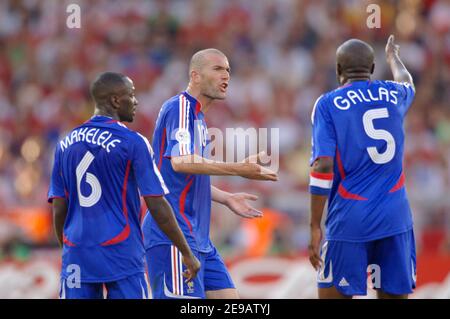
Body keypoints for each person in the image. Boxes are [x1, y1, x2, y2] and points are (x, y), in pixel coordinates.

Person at [47, 72, 200, 299]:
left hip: (77, 254)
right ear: (116, 101)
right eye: (132, 95)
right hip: (121, 253)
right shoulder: (133, 142)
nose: (136, 101)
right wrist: (186, 252)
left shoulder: (64, 145)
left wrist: (69, 250)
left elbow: (59, 208)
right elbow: (157, 205)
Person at [142, 48, 278, 299]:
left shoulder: (198, 118)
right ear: (195, 75)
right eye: (217, 69)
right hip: (173, 236)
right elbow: (181, 163)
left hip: (199, 238)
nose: (226, 75)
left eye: (228, 70)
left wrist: (225, 198)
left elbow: (178, 176)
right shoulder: (180, 107)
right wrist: (239, 169)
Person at [308, 35, 416, 299]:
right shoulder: (394, 94)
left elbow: (323, 166)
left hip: (349, 219)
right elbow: (407, 81)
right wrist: (394, 57)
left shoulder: (328, 104)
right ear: (372, 68)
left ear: (338, 71)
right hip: (395, 217)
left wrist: (314, 225)